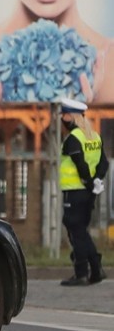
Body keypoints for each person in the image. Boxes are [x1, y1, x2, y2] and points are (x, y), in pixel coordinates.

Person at [59, 97, 109, 286]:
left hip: (74, 192)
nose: (62, 119)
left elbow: (80, 165)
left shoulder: (73, 139)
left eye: (64, 115)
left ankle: (82, 273)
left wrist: (89, 182)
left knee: (76, 232)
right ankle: (95, 270)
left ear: (71, 117)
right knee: (81, 230)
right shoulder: (94, 137)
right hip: (88, 194)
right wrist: (96, 181)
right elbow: (103, 162)